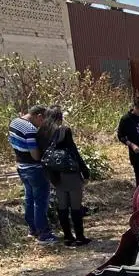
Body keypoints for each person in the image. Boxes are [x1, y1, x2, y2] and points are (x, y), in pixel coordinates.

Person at [38, 106, 92, 247]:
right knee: (75, 205)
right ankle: (79, 236)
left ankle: (67, 236)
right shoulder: (63, 131)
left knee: (62, 205)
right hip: (68, 171)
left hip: (53, 173)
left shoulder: (41, 132)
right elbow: (73, 152)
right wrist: (85, 171)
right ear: (60, 116)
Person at [9, 105, 56, 244]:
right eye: (43, 122)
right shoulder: (30, 129)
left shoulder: (15, 122)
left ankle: (33, 229)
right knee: (40, 201)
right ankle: (44, 234)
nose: (43, 126)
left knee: (29, 199)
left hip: (21, 166)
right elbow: (35, 155)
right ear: (39, 116)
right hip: (34, 168)